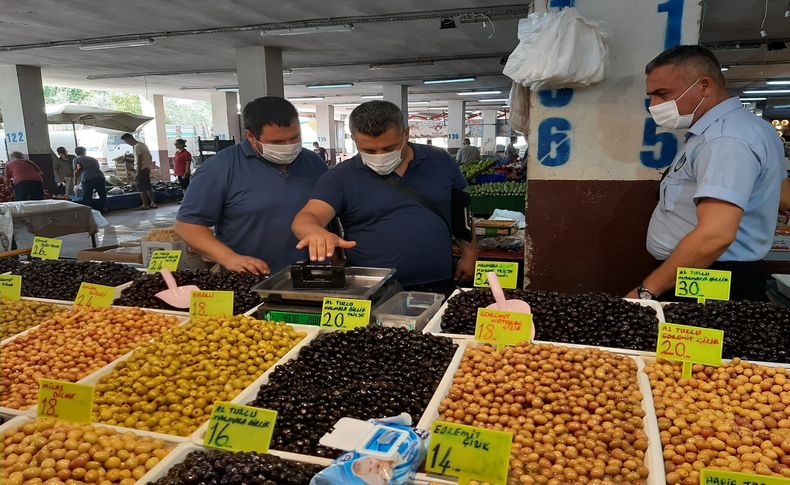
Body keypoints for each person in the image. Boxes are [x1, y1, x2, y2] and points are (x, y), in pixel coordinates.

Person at [626, 45, 783, 302]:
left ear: (705, 86)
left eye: (662, 94)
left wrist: (646, 291)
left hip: (708, 277)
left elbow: (715, 235)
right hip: (694, 271)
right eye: (651, 96)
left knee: (699, 341)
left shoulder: (725, 140)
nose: (654, 105)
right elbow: (783, 195)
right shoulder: (736, 129)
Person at [292, 100, 477, 294]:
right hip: (372, 289)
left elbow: (462, 212)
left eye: (389, 148)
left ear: (406, 134)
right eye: (369, 151)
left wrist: (470, 253)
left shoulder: (440, 160)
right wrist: (314, 231)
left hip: (438, 282)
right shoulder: (340, 177)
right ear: (355, 140)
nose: (380, 156)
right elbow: (306, 218)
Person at [175, 96, 327, 275]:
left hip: (313, 276)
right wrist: (228, 257)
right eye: (277, 143)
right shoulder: (220, 169)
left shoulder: (314, 163)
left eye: (295, 138)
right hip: (250, 281)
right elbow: (188, 225)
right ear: (251, 136)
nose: (289, 146)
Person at [120, 133, 157, 209]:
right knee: (148, 187)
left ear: (128, 139)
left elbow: (139, 160)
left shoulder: (137, 146)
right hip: (146, 168)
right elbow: (148, 157)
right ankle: (153, 203)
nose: (127, 143)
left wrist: (138, 172)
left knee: (142, 188)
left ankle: (145, 204)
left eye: (126, 141)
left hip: (142, 170)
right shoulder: (143, 145)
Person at [73, 147, 108, 213]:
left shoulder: (77, 160)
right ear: (84, 152)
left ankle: (89, 211)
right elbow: (97, 167)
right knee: (102, 193)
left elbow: (77, 171)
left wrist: (75, 182)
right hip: (100, 177)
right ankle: (105, 208)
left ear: (76, 153)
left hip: (87, 178)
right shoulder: (92, 159)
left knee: (87, 196)